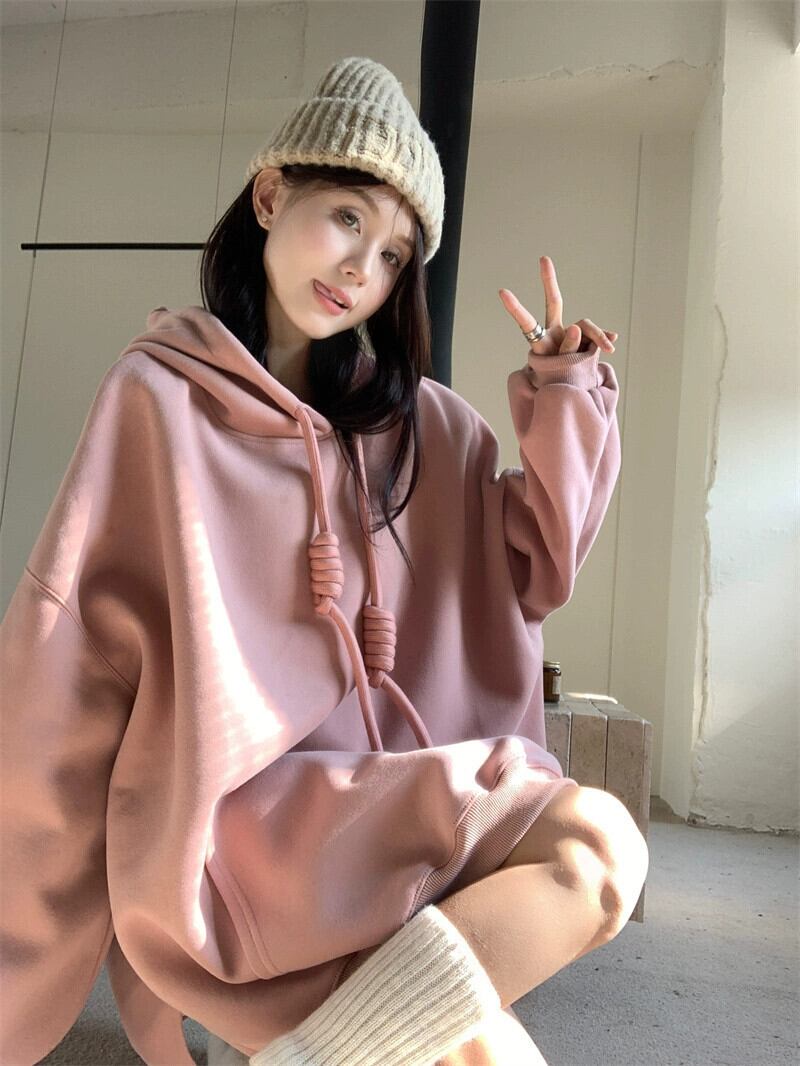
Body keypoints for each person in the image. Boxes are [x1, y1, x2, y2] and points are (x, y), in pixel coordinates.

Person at [0, 56, 648, 1066]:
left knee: (602, 851)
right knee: (483, 1050)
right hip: (236, 844)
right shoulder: (158, 401)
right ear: (270, 197)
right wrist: (22, 973)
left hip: (393, 811)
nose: (360, 269)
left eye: (392, 254)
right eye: (346, 217)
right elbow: (69, 667)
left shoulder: (427, 427)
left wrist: (566, 392)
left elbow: (538, 570)